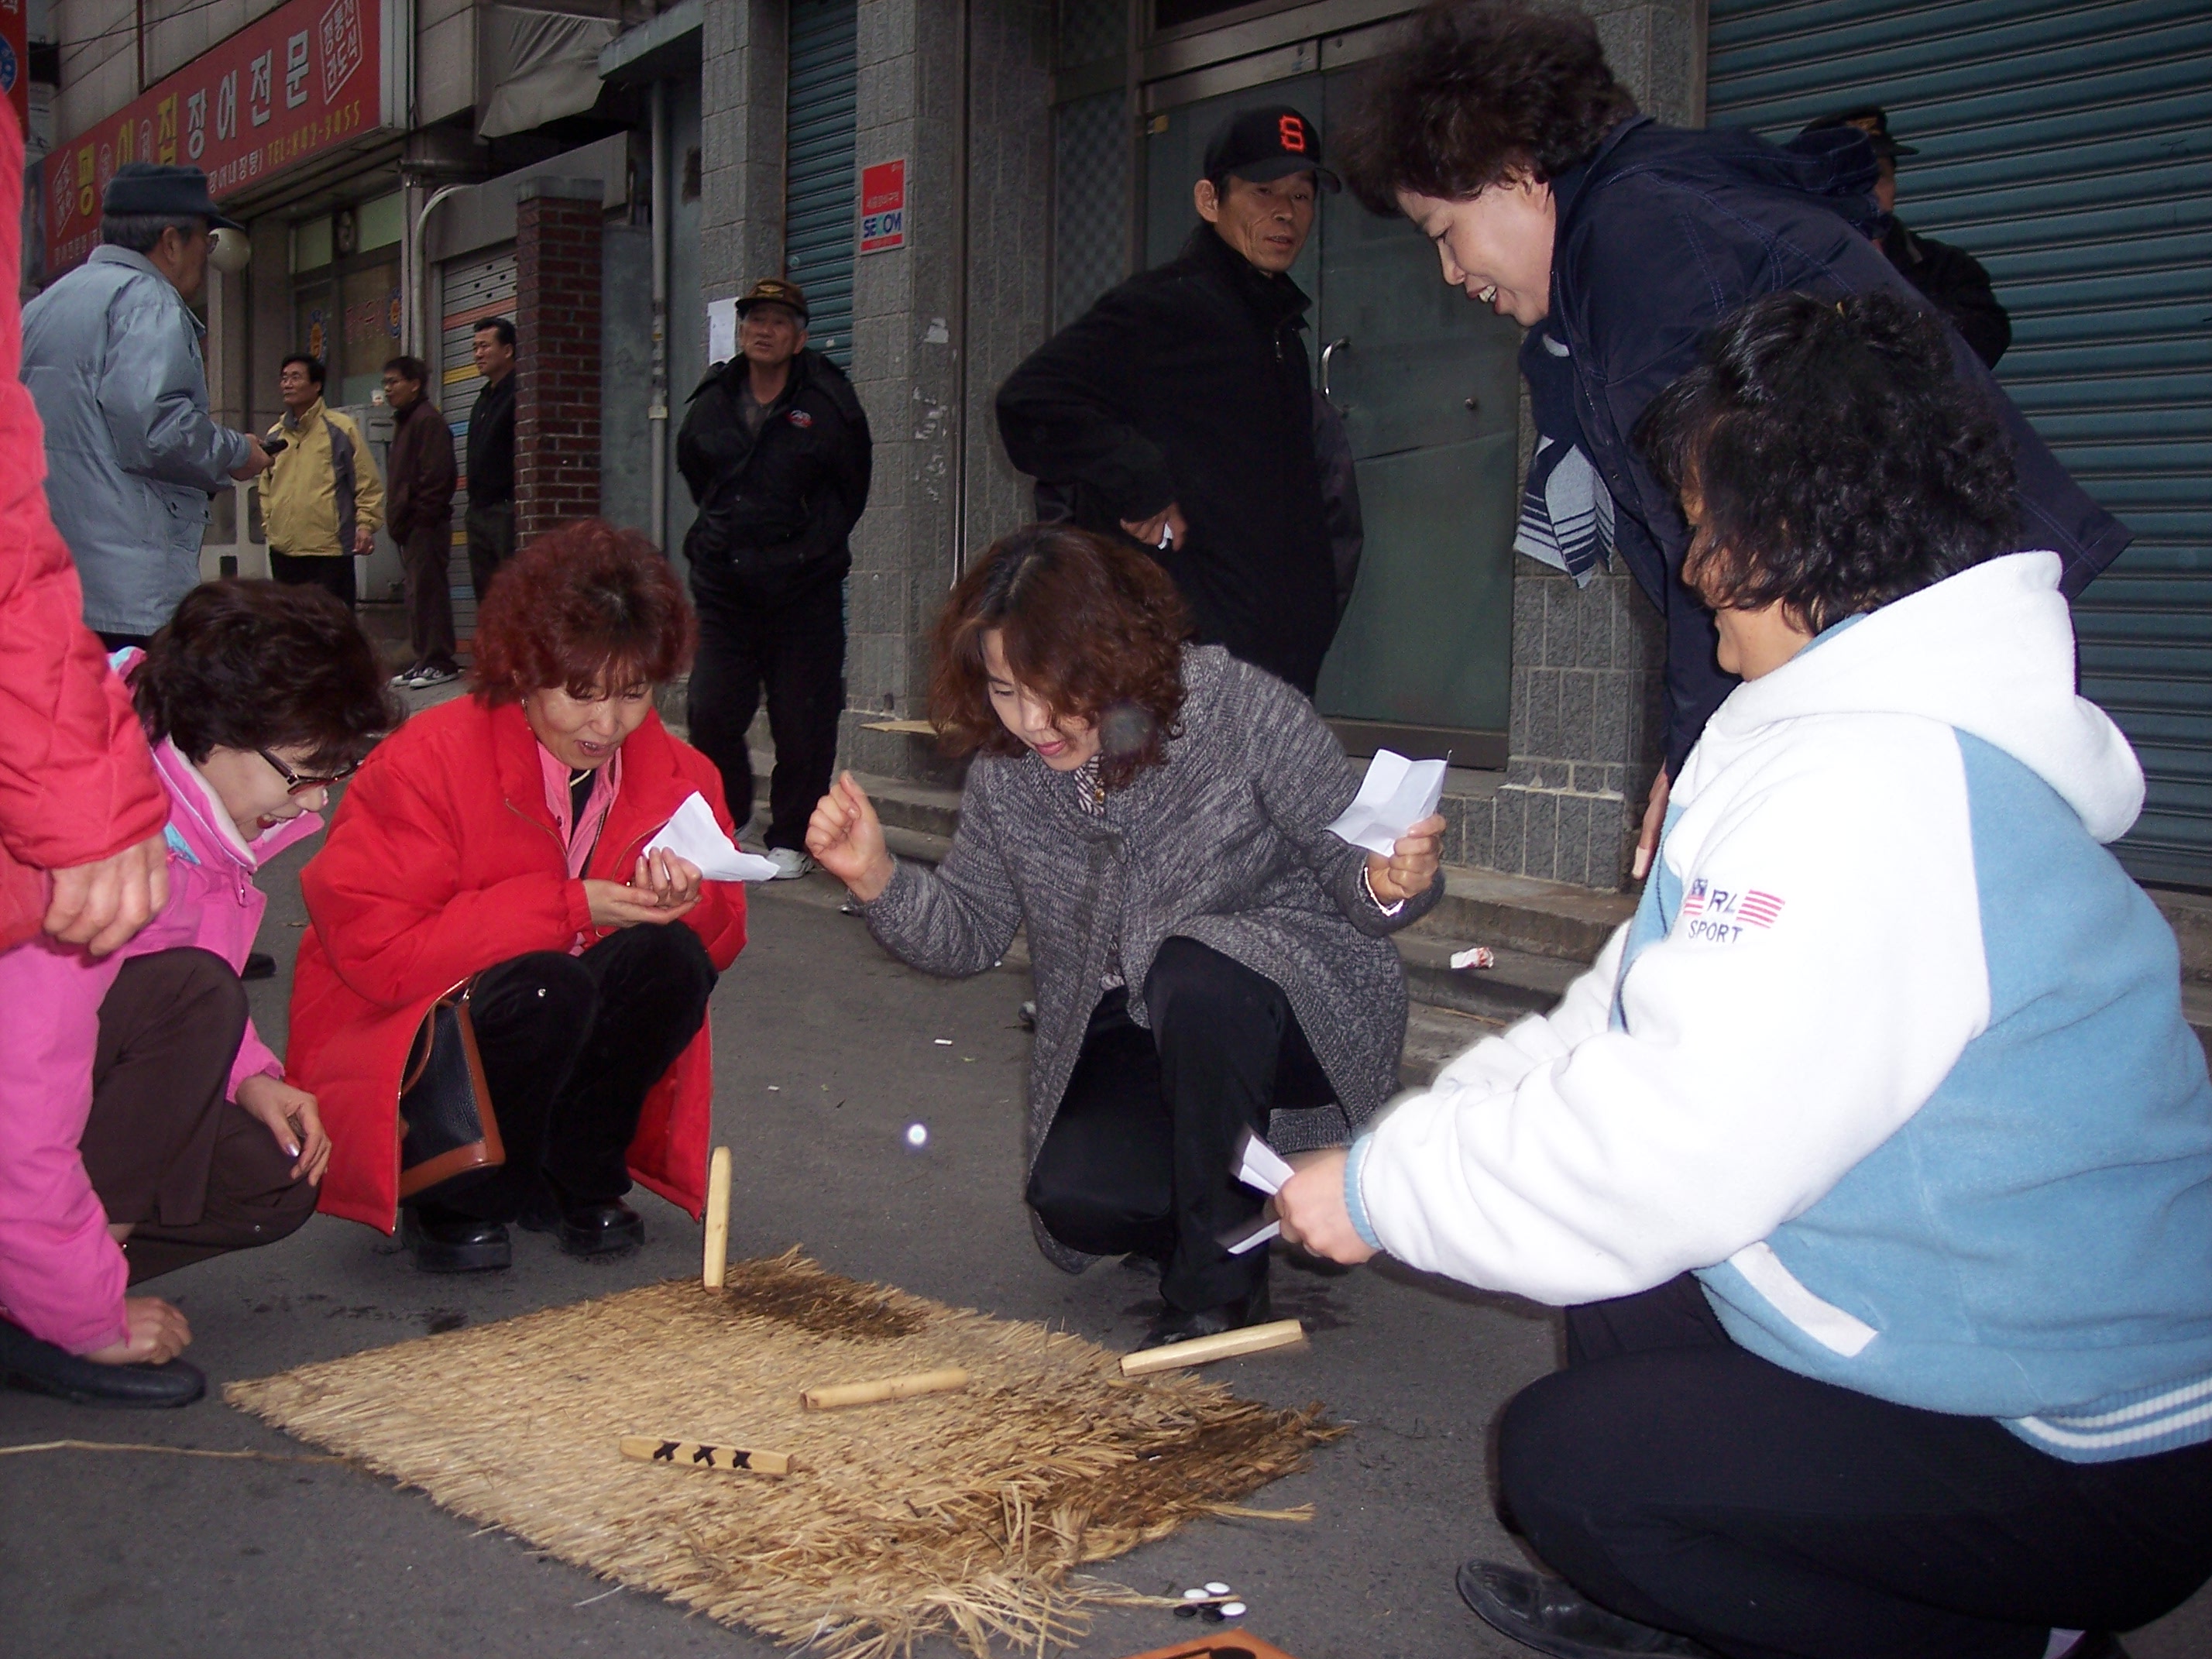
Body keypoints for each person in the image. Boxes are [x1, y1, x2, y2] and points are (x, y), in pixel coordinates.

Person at [1275, 291, 2212, 1659]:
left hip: (2089, 1439)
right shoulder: (1818, 731)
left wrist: (1375, 1197)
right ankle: (1727, 1604)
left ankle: (2023, 1642)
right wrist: (1408, 1154)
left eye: (1708, 518)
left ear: (1801, 531)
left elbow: (1675, 1143)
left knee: (1572, 1467)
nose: (1692, 557)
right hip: (1966, 1322)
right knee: (1612, 1297)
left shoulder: (1871, 786)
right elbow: (1621, 1023)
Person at [1335, 0, 2127, 878]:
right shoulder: (1645, 217)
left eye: (1445, 233)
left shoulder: (1643, 250)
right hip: (1902, 648)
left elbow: (1725, 544)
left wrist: (1707, 757)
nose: (1451, 274)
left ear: (1515, 168)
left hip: (1904, 658)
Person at [806, 524, 1444, 1346]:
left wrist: (1390, 881)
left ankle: (1218, 1287)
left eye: (1052, 685)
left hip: (1300, 1012)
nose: (1033, 718)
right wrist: (875, 877)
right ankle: (1242, 1190)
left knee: (1196, 966)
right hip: (1151, 1027)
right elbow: (967, 930)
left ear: (1112, 651)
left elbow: (1357, 865)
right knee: (1080, 1200)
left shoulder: (1237, 708)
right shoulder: (1010, 775)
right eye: (1003, 688)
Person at [289, 520, 749, 1274]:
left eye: (634, 693)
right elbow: (379, 955)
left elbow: (721, 945)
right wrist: (572, 908)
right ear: (521, 671)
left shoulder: (681, 772)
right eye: (580, 694)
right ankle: (453, 1193)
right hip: (411, 1039)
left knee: (669, 959)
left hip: (536, 1015)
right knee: (546, 981)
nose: (608, 724)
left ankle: (574, 1169)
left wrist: (689, 901)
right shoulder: (425, 761)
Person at [0, 580, 404, 1409]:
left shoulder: (172, 797)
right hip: (15, 1122)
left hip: (38, 1114)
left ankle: (33, 1286)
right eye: (303, 774)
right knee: (195, 998)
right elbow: (23, 1113)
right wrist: (90, 1316)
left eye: (334, 774)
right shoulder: (74, 826)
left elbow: (160, 970)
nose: (316, 801)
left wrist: (251, 1074)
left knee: (271, 1172)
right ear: (216, 733)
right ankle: (56, 1311)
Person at [995, 107, 1362, 698]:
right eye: (1263, 191)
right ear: (1209, 199)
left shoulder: (1278, 333)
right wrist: (1138, 477)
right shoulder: (1165, 307)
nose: (1286, 213)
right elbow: (1029, 401)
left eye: (1302, 195)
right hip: (1185, 665)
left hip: (1272, 669)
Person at [21, 161, 272, 649]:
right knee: (139, 721)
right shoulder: (147, 298)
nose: (208, 253)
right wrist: (237, 452)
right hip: (128, 592)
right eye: (206, 239)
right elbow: (157, 432)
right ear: (172, 241)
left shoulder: (45, 305)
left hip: (49, 581)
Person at [678, 278, 874, 878]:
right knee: (711, 709)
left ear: (801, 336)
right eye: (754, 320)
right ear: (741, 331)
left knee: (802, 718)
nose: (763, 331)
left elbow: (852, 488)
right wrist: (721, 537)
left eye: (778, 322)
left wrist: (807, 551)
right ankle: (728, 819)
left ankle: (793, 835)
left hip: (802, 592)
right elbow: (696, 470)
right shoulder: (715, 395)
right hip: (725, 587)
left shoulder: (828, 401)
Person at [1800, 105, 2011, 369]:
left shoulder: (1945, 268)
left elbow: (1985, 339)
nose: (1871, 192)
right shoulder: (1783, 269)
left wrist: (1889, 296)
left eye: (1880, 176)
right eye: (1853, 178)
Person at [261, 355, 385, 609]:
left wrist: (365, 526)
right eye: (284, 378)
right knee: (291, 626)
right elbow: (266, 485)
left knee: (333, 626)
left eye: (296, 377)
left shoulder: (340, 429)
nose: (287, 384)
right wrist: (269, 523)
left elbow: (366, 482)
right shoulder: (275, 434)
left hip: (329, 550)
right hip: (284, 549)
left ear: (317, 385)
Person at [381, 355, 462, 689]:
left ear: (415, 384)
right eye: (385, 383)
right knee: (416, 594)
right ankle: (424, 658)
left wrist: (420, 517)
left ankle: (439, 660)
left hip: (424, 525)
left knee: (429, 592)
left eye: (394, 382)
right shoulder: (405, 421)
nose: (387, 390)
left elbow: (437, 476)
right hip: (409, 526)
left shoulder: (428, 421)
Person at [465, 315, 518, 603]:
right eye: (475, 348)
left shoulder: (519, 394)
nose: (478, 354)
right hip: (479, 511)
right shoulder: (483, 399)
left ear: (507, 350)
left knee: (508, 592)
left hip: (505, 510)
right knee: (485, 595)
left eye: (485, 346)